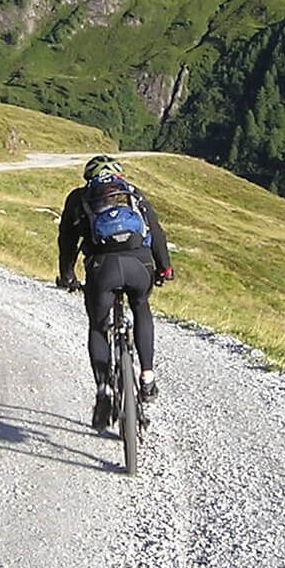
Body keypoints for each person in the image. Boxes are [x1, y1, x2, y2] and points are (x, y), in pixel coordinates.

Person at [55, 154, 175, 430]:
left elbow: (67, 240)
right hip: (139, 264)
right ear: (117, 174)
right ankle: (146, 376)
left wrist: (68, 275)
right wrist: (165, 268)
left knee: (98, 326)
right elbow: (155, 231)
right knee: (141, 306)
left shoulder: (79, 198)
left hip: (102, 269)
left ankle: (104, 390)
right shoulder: (132, 193)